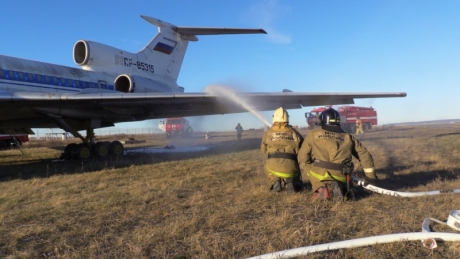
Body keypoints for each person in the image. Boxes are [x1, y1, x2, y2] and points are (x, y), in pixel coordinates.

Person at [298, 108, 377, 201]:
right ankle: (342, 186)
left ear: (322, 120)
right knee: (347, 185)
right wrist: (371, 179)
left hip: (319, 173)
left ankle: (320, 188)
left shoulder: (313, 134)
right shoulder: (348, 136)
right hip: (342, 174)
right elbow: (365, 155)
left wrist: (309, 165)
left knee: (306, 165)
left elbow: (302, 156)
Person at [261, 107, 304, 194]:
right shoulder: (294, 132)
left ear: (274, 118)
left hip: (273, 165)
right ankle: (291, 181)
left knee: (268, 168)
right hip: (291, 165)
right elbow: (303, 147)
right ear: (287, 118)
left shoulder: (268, 133)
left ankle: (275, 181)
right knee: (292, 170)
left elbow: (263, 149)